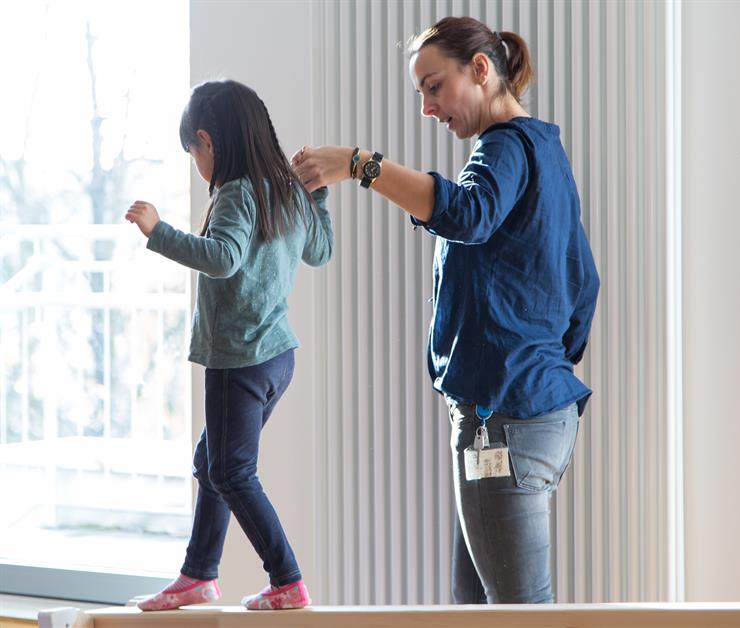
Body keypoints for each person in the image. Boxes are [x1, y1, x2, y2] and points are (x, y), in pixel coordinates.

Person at [292, 16, 599, 604]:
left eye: (434, 87)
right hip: (538, 413)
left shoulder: (505, 147)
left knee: (516, 617)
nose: (428, 108)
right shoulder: (544, 148)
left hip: (505, 420)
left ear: (480, 70)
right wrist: (539, 365)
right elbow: (584, 282)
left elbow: (468, 213)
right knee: (475, 613)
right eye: (422, 94)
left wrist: (361, 165)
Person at [125, 79, 333, 611]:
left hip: (238, 358)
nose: (197, 161)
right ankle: (198, 574)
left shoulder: (237, 192)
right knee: (212, 461)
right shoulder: (284, 189)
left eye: (193, 152)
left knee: (230, 471)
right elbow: (321, 250)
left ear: (206, 141)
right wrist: (319, 197)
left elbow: (222, 258)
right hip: (277, 358)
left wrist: (158, 232)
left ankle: (287, 580)